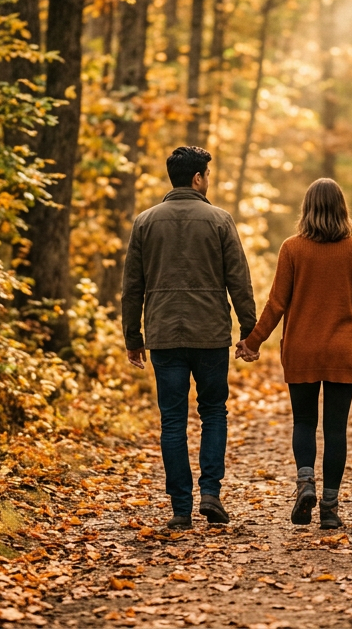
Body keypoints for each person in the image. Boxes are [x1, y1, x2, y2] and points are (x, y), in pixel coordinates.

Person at [122, 146, 257, 530]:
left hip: (163, 335)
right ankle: (210, 493)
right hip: (210, 334)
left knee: (172, 421)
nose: (208, 181)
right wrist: (250, 332)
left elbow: (132, 287)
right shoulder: (219, 219)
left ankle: (181, 509)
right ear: (198, 178)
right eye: (208, 176)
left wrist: (134, 337)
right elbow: (239, 280)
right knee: (213, 412)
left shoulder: (145, 222)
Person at [236, 178, 352, 530]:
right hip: (343, 349)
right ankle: (329, 509)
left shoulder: (292, 248)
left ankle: (305, 484)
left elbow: (277, 303)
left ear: (307, 209)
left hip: (301, 348)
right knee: (335, 429)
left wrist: (253, 341)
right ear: (342, 208)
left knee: (303, 422)